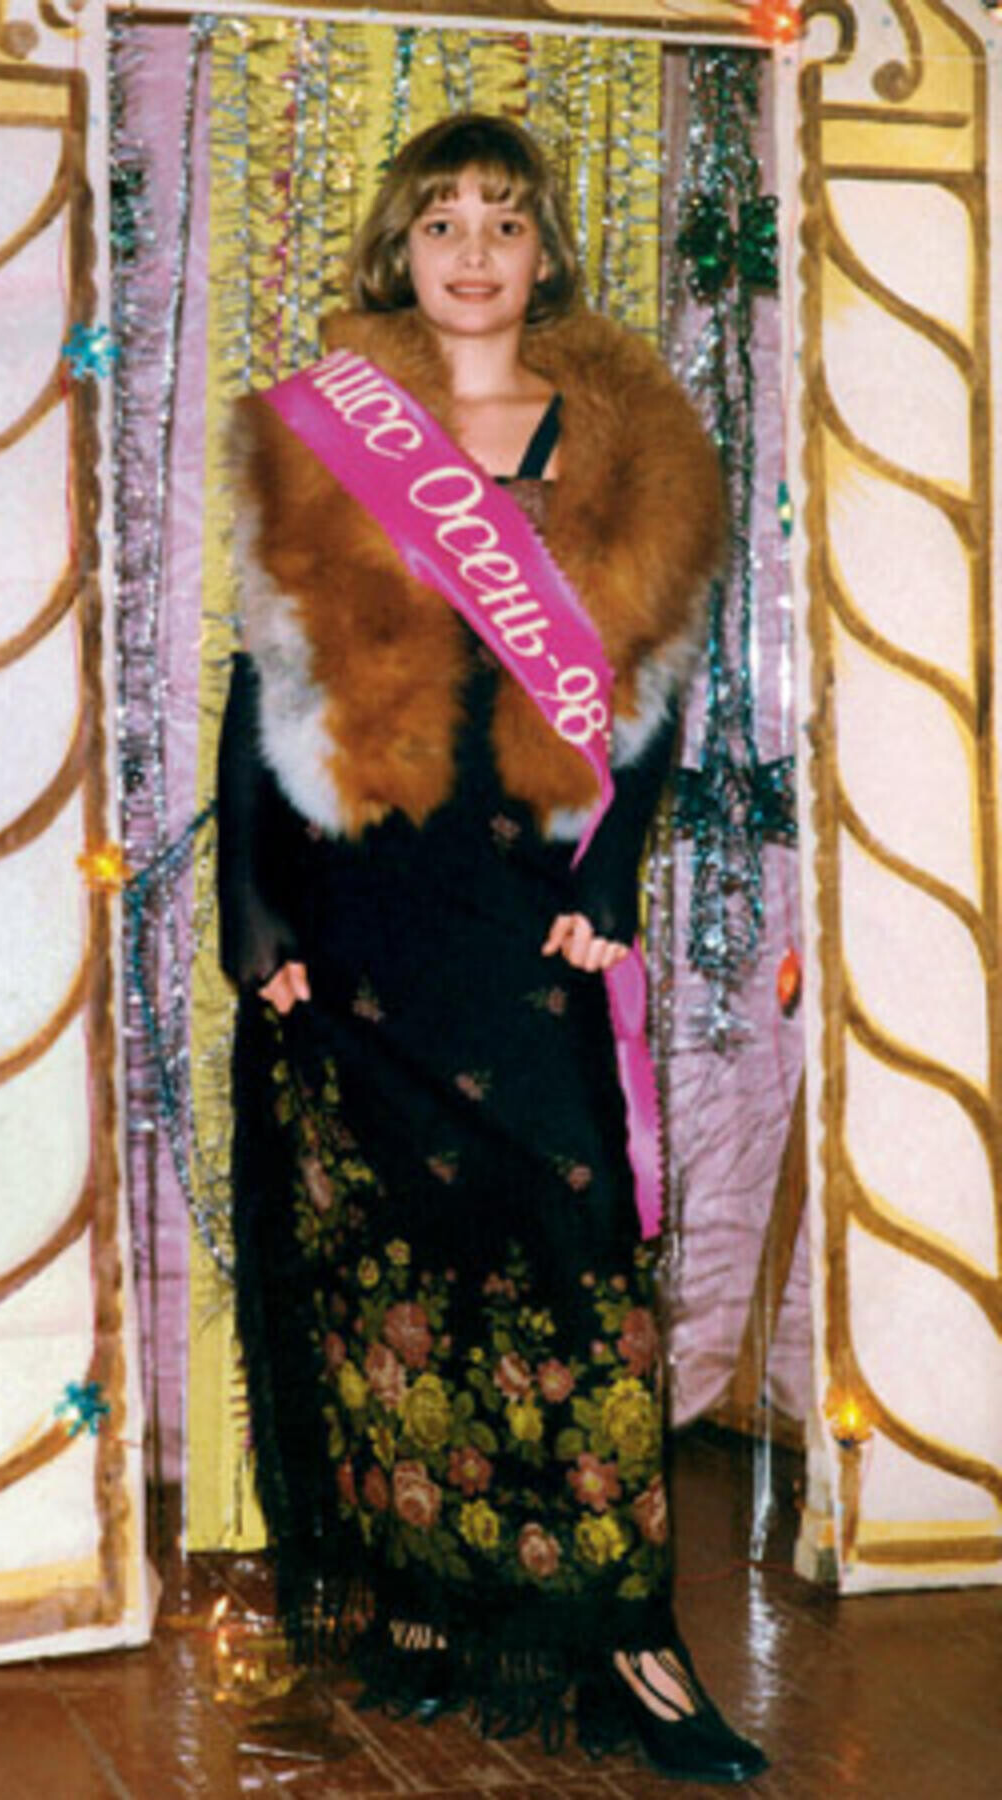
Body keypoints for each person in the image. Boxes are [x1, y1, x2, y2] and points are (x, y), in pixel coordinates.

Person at [218, 113, 767, 1783]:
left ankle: (631, 1644)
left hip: (527, 902)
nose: (473, 250)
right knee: (385, 1265)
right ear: (400, 248)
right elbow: (265, 681)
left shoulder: (630, 439)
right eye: (443, 218)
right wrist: (253, 909)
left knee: (576, 1257)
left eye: (505, 220)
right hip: (358, 903)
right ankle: (432, 1614)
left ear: (544, 251)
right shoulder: (326, 432)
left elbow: (654, 690)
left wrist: (616, 881)